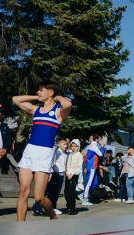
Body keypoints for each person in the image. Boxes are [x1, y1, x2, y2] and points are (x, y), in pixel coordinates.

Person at [14, 81, 72, 221]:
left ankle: (52, 214)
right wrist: (37, 97)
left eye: (41, 90)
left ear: (51, 92)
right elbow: (15, 99)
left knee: (39, 197)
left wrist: (57, 98)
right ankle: (20, 227)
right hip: (30, 151)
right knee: (23, 191)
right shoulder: (36, 110)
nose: (38, 92)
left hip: (44, 153)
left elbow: (68, 105)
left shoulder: (58, 112)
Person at [35, 137, 68, 216]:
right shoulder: (57, 152)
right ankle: (39, 208)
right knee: (50, 191)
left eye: (66, 144)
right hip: (55, 173)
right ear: (59, 144)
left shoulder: (64, 153)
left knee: (57, 191)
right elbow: (52, 162)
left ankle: (53, 206)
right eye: (63, 144)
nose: (65, 146)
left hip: (61, 173)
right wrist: (51, 172)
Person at [81, 134, 104, 206]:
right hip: (92, 167)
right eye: (99, 139)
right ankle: (84, 198)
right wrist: (102, 146)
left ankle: (84, 194)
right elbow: (101, 154)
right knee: (88, 183)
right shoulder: (94, 146)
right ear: (96, 139)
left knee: (95, 182)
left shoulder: (90, 146)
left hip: (91, 166)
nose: (100, 140)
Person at [65, 139, 83, 215]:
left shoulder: (79, 155)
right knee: (66, 192)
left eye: (76, 146)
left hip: (74, 176)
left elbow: (79, 167)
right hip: (68, 175)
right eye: (72, 146)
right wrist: (68, 173)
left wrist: (72, 174)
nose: (74, 148)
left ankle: (73, 207)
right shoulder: (70, 155)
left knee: (71, 192)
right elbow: (68, 165)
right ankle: (68, 206)